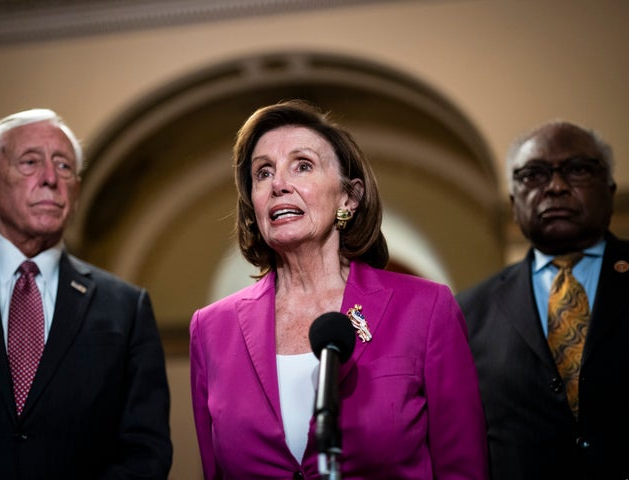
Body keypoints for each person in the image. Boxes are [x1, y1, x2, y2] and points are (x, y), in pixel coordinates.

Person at [189, 99, 488, 479]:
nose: (279, 184)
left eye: (303, 165)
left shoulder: (426, 309)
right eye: (263, 173)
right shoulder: (211, 329)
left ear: (349, 197)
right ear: (254, 204)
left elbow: (464, 469)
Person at [0, 108, 173, 479]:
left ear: (75, 191)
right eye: (30, 162)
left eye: (63, 167)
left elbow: (145, 450)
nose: (49, 179)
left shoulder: (126, 308)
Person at [456, 120, 629, 480]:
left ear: (610, 190)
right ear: (514, 203)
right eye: (534, 175)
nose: (556, 187)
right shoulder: (468, 312)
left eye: (577, 170)